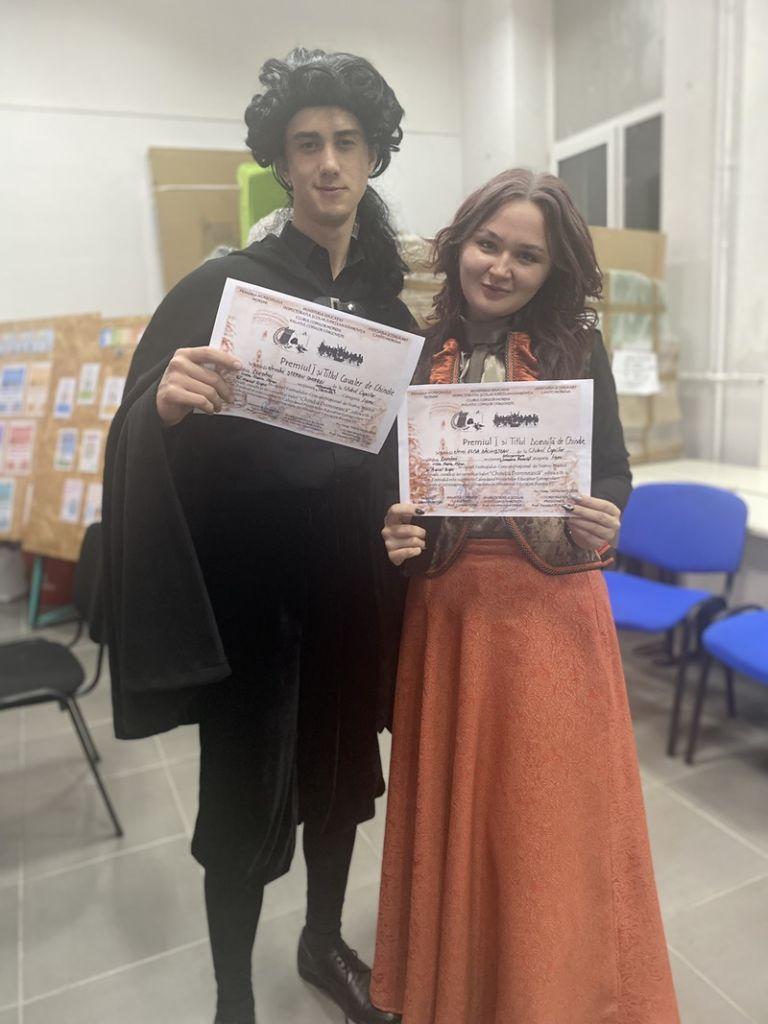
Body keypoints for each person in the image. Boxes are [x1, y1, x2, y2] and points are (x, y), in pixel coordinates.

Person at [103, 48, 410, 1024]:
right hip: (253, 600)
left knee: (342, 785)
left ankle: (322, 943)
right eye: (307, 144)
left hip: (350, 588)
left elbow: (403, 450)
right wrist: (164, 409)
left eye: (346, 142)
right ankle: (233, 996)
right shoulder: (223, 288)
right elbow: (135, 424)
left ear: (373, 154)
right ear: (280, 161)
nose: (328, 163)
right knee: (240, 808)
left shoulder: (387, 308)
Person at [369, 169, 680, 1023]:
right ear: (459, 245)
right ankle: (465, 988)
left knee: (547, 817)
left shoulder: (578, 350)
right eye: (488, 244)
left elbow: (612, 469)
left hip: (552, 614)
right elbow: (394, 482)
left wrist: (605, 511)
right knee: (462, 816)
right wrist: (391, 527)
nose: (501, 267)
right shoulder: (416, 352)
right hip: (449, 611)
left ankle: (550, 991)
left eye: (527, 256)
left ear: (552, 269)